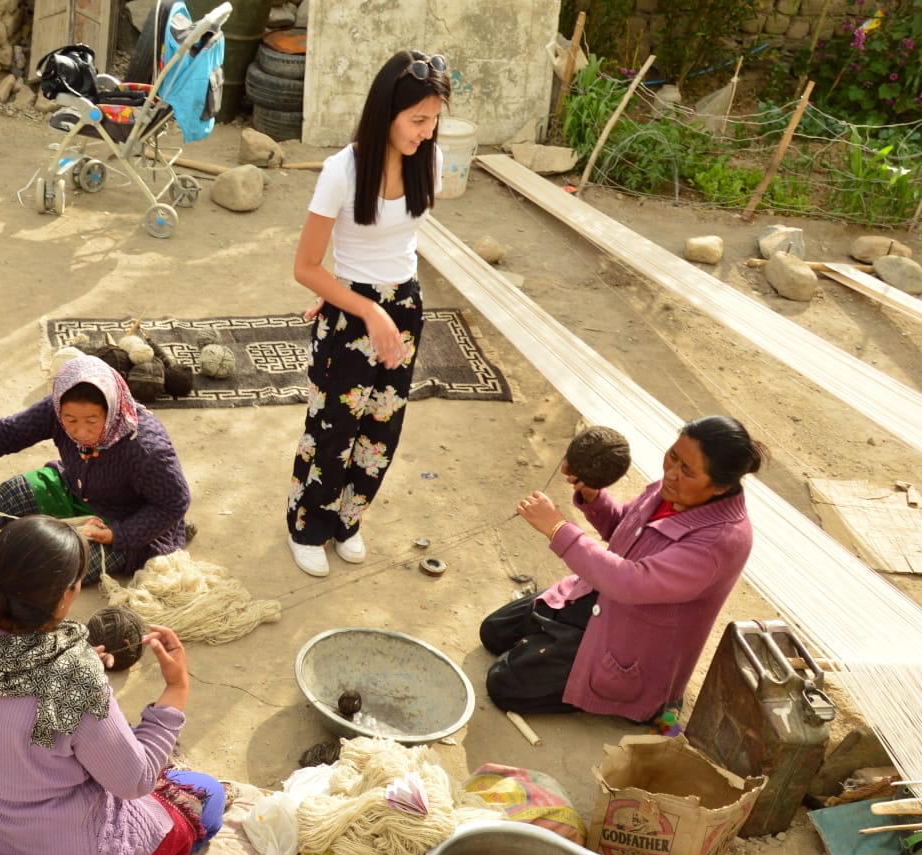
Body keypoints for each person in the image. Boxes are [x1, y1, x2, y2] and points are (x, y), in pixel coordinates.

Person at [0, 515, 225, 855]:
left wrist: (76, 676)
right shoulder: (73, 676)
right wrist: (176, 688)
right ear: (68, 593)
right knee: (208, 794)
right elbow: (134, 781)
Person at [480, 416, 767, 724]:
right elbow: (623, 529)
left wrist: (557, 529)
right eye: (673, 455)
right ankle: (556, 643)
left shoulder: (721, 542)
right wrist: (593, 495)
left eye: (687, 471)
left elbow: (629, 582)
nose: (671, 473)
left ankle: (616, 688)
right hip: (600, 599)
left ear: (721, 486)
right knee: (494, 632)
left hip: (631, 646)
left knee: (504, 684)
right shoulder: (673, 490)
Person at [285, 50, 452, 578]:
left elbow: (401, 242)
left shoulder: (431, 160)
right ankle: (307, 526)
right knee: (334, 426)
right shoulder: (342, 170)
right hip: (354, 313)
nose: (427, 132)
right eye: (417, 120)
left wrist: (389, 308)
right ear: (387, 113)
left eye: (434, 120)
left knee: (382, 425)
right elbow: (305, 266)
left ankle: (347, 521)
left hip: (405, 303)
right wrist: (358, 305)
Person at [0, 355, 190, 582]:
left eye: (91, 421)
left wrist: (120, 534)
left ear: (111, 409)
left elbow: (175, 502)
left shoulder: (146, 447)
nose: (80, 432)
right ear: (60, 408)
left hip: (122, 526)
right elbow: (6, 433)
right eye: (70, 420)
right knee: (15, 491)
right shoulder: (56, 410)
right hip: (74, 488)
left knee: (50, 570)